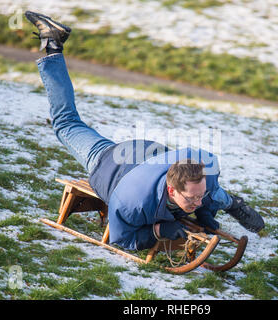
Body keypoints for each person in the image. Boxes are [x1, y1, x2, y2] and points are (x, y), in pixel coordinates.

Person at [25, 11, 265, 251]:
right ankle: (53, 46)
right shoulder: (130, 202)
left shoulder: (205, 175)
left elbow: (206, 186)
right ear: (171, 190)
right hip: (109, 162)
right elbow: (121, 239)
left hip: (144, 153)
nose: (197, 200)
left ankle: (234, 203)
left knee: (214, 194)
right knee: (66, 122)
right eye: (191, 198)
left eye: (199, 195)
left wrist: (210, 207)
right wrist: (157, 230)